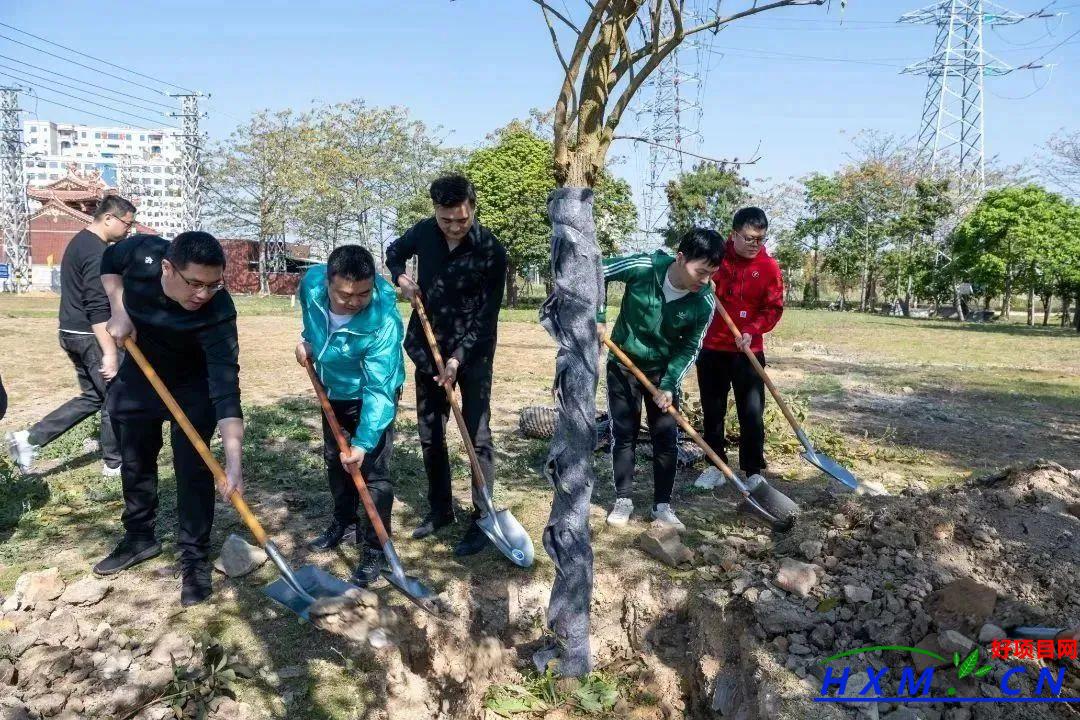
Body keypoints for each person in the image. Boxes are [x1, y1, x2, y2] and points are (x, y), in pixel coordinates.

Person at [94, 231, 244, 607]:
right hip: (141, 376)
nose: (203, 294)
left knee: (192, 468)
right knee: (135, 459)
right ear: (167, 267)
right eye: (194, 283)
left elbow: (225, 387)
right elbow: (109, 262)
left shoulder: (219, 310)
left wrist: (234, 460)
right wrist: (119, 309)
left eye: (214, 284)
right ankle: (139, 537)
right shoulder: (143, 252)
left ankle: (194, 559)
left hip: (193, 386)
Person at [385, 174, 507, 557]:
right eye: (446, 220)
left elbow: (486, 318)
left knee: (476, 434)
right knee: (430, 432)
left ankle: (481, 518)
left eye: (462, 219)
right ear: (435, 212)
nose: (454, 227)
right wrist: (400, 277)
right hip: (428, 342)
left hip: (473, 352)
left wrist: (457, 359)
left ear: (473, 208)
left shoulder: (492, 252)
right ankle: (441, 510)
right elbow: (393, 252)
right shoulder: (423, 232)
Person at [295, 244, 405, 586]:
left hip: (371, 395)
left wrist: (363, 442)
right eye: (345, 295)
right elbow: (312, 323)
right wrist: (306, 342)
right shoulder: (311, 285)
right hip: (332, 389)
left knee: (371, 472)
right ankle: (343, 520)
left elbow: (379, 388)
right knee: (334, 461)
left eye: (364, 293)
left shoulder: (383, 320)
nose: (355, 302)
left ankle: (376, 547)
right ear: (327, 282)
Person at [598, 228, 721, 531]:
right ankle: (623, 499)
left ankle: (662, 506)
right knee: (623, 432)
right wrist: (598, 317)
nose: (705, 280)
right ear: (680, 258)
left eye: (712, 273)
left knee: (666, 438)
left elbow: (689, 347)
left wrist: (668, 385)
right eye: (701, 272)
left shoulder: (703, 302)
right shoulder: (643, 267)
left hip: (663, 371)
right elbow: (596, 271)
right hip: (623, 364)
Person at [6, 196, 136, 475]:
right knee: (115, 397)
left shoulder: (82, 241)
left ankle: (28, 439)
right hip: (89, 336)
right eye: (127, 223)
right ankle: (114, 464)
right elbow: (97, 305)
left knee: (93, 397)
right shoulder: (97, 252)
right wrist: (110, 353)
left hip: (71, 331)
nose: (129, 229)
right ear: (109, 218)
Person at [696, 207, 784, 493]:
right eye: (748, 238)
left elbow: (773, 308)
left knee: (752, 411)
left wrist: (752, 330)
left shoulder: (769, 268)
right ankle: (715, 466)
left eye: (760, 238)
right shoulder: (716, 260)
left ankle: (752, 469)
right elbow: (694, 287)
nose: (754, 244)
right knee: (713, 410)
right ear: (733, 234)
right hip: (712, 348)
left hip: (748, 351)